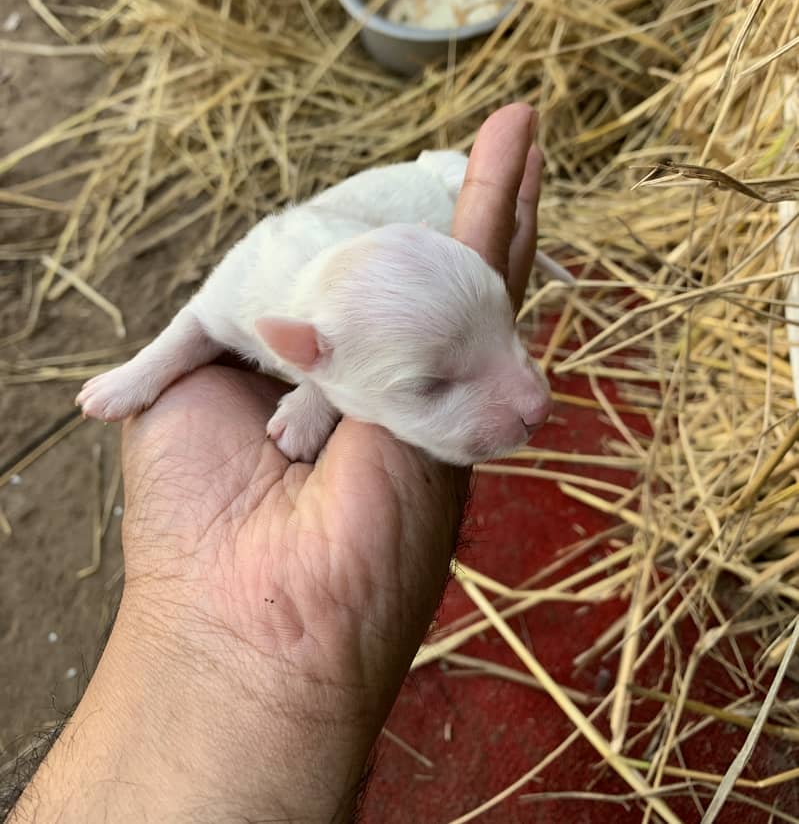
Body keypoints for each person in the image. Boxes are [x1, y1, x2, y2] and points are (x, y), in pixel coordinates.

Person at [8, 102, 543, 824]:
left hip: (419, 210)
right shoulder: (257, 290)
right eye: (432, 386)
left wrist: (323, 395)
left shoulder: (392, 273)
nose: (535, 404)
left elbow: (371, 353)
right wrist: (152, 371)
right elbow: (203, 321)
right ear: (301, 348)